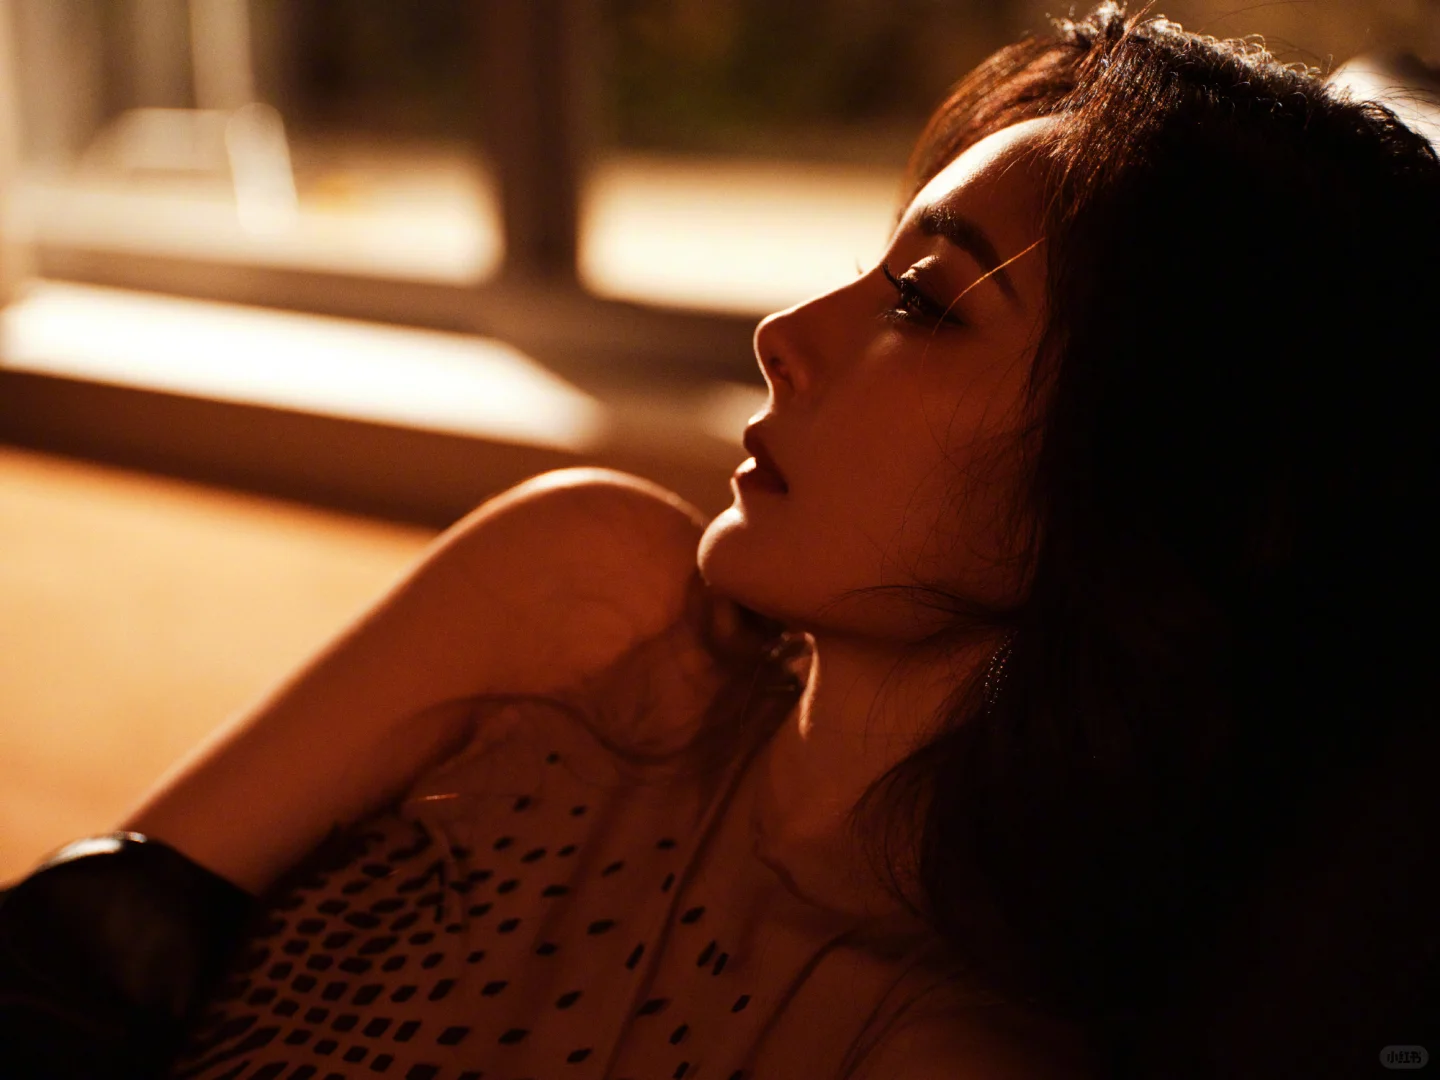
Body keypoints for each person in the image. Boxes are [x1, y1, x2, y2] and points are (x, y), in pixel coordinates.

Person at [3, 3, 1437, 1076]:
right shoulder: (585, 595)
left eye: (925, 304)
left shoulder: (929, 1051)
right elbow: (64, 961)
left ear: (1148, 471)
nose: (783, 333)